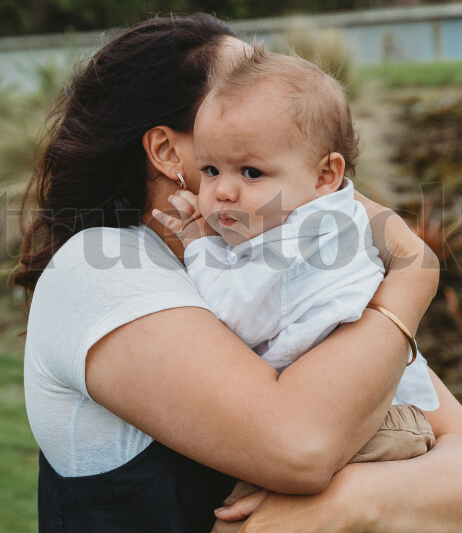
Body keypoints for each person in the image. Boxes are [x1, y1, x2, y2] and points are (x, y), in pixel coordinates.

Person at [16, 13, 462, 533]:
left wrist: (349, 501)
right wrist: (412, 276)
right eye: (242, 84)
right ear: (168, 151)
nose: (270, 90)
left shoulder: (291, 267)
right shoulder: (101, 267)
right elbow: (300, 447)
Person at [153, 49, 441, 533]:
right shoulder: (320, 212)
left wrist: (197, 244)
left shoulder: (300, 242)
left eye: (250, 173)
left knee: (241, 520)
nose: (222, 192)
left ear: (325, 175)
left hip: (374, 422)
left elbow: (235, 314)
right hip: (367, 411)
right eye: (210, 171)